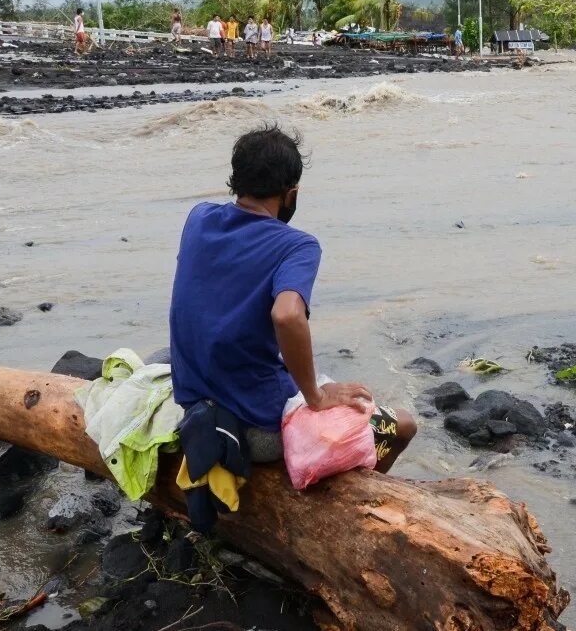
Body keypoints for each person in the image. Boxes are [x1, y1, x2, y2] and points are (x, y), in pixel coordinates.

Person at [168, 124, 417, 472]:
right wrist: (315, 395)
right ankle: (354, 501)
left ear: (236, 180)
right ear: (291, 193)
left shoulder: (198, 218)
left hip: (196, 406)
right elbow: (287, 315)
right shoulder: (296, 245)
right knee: (403, 426)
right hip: (257, 427)